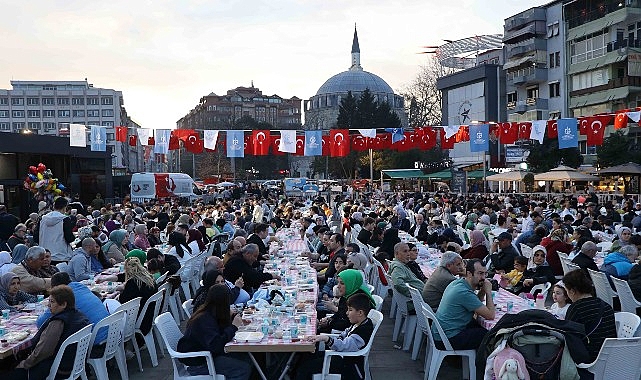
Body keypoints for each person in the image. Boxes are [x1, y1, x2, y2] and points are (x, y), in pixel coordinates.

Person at [8, 285, 89, 380]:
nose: (48, 305)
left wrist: (24, 364)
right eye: (49, 301)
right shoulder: (79, 315)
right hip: (74, 363)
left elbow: (43, 351)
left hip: (57, 369)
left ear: (63, 304)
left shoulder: (58, 322)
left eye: (52, 302)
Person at [177, 284, 251, 380]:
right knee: (243, 368)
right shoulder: (204, 319)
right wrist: (233, 327)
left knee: (247, 358)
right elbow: (216, 345)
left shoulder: (210, 311)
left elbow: (218, 330)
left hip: (207, 354)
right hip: (200, 362)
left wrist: (233, 319)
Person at [297, 293, 375, 380]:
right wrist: (326, 338)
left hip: (347, 366)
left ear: (360, 312)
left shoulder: (363, 330)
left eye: (350, 310)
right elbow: (343, 335)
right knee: (305, 356)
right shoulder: (358, 323)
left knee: (305, 368)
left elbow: (345, 346)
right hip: (340, 357)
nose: (347, 313)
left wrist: (326, 339)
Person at [434, 259, 495, 350]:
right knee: (490, 335)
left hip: (441, 332)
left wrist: (482, 290)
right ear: (470, 274)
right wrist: (488, 292)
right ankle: (481, 363)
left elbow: (475, 304)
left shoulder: (458, 283)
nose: (483, 278)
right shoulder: (464, 292)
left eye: (485, 274)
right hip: (447, 338)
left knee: (477, 325)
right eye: (480, 273)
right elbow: (490, 315)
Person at [36, 272, 109, 345]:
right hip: (109, 334)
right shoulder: (81, 287)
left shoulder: (63, 295)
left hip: (93, 342)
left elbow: (41, 323)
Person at [563, 269, 616, 366]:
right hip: (611, 358)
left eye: (566, 291)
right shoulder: (605, 305)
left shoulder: (576, 308)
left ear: (572, 291)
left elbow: (569, 337)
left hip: (589, 359)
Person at [119, 257, 158, 336]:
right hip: (150, 314)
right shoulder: (149, 278)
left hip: (140, 319)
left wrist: (122, 290)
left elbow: (122, 301)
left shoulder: (133, 283)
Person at [34, 197, 75, 264]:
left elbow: (36, 237)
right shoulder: (65, 219)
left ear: (54, 206)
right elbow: (69, 238)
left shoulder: (42, 219)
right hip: (61, 256)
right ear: (65, 207)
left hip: (44, 256)